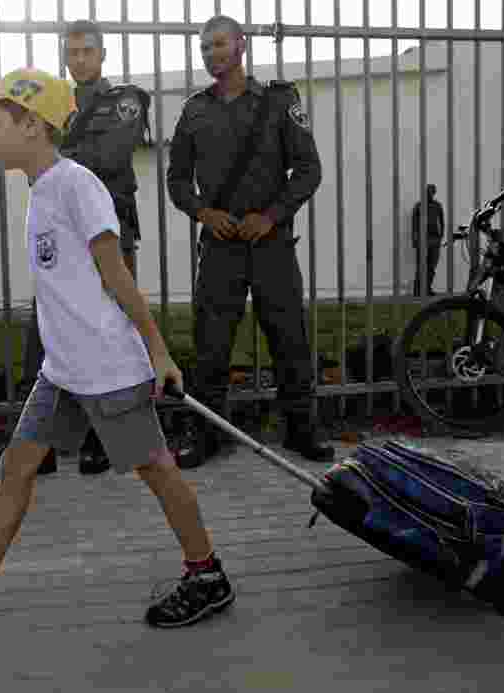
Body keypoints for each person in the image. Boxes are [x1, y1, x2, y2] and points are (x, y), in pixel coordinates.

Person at [0, 68, 235, 630]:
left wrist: (157, 351)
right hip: (63, 370)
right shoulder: (42, 191)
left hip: (106, 367)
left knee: (156, 469)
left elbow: (117, 274)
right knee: (17, 467)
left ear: (32, 125)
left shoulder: (76, 184)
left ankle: (206, 574)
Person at [0, 20, 153, 482]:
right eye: (71, 52)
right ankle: (42, 447)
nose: (78, 60)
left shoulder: (123, 101)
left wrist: (50, 151)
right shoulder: (61, 108)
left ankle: (103, 443)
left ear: (102, 55)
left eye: (86, 52)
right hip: (63, 238)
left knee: (108, 325)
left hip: (104, 231)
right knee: (48, 334)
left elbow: (108, 157)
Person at [167, 15, 334, 466]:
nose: (210, 54)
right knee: (211, 347)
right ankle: (205, 435)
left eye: (219, 44)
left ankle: (302, 432)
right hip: (220, 248)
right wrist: (204, 212)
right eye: (204, 48)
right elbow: (177, 179)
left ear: (241, 46)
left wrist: (272, 216)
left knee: (290, 341)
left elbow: (309, 169)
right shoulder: (194, 111)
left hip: (271, 245)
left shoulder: (279, 101)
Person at [412, 183, 445, 296]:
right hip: (422, 239)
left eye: (432, 192)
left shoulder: (437, 206)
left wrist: (441, 236)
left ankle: (427, 288)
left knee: (432, 266)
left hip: (435, 239)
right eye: (428, 192)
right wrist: (415, 240)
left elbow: (442, 221)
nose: (429, 194)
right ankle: (417, 290)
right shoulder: (419, 206)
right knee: (421, 265)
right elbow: (414, 224)